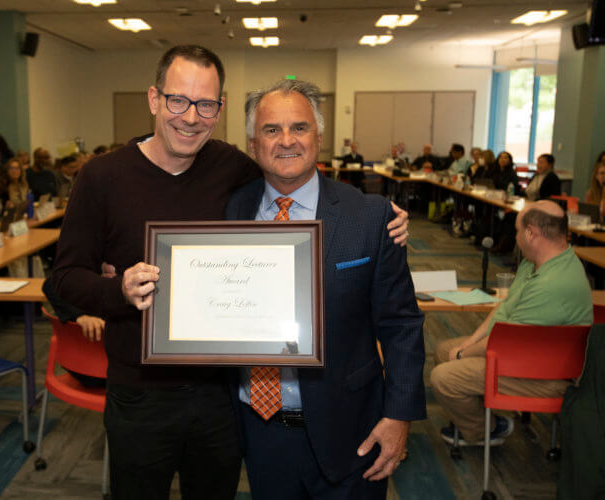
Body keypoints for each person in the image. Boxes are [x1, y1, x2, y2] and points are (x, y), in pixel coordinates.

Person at [50, 45, 409, 499]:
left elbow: (295, 173)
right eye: (178, 100)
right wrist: (116, 289)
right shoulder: (102, 177)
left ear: (218, 110)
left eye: (205, 104)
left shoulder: (233, 169)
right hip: (141, 394)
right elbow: (61, 280)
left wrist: (380, 215)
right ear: (154, 99)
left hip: (220, 396)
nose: (190, 116)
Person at [227, 79, 425, 499]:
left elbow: (401, 325)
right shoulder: (229, 210)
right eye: (271, 130)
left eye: (299, 128)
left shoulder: (370, 216)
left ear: (318, 137)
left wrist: (399, 415)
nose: (286, 141)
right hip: (258, 429)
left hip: (351, 426)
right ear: (251, 144)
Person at [431, 200, 592, 447]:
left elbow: (503, 343)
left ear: (531, 233)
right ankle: (480, 418)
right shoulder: (535, 262)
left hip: (546, 373)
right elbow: (502, 310)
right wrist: (469, 345)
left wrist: (463, 354)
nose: (514, 237)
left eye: (517, 230)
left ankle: (485, 431)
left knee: (443, 376)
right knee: (444, 351)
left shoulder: (553, 284)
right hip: (524, 353)